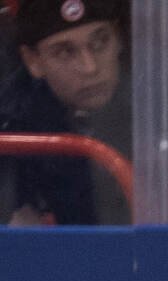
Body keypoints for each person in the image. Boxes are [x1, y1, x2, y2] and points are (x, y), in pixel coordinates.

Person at [1, 0, 131, 226]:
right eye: (64, 52)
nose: (90, 67)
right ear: (33, 61)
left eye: (100, 43)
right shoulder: (12, 128)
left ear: (119, 39)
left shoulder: (160, 106)